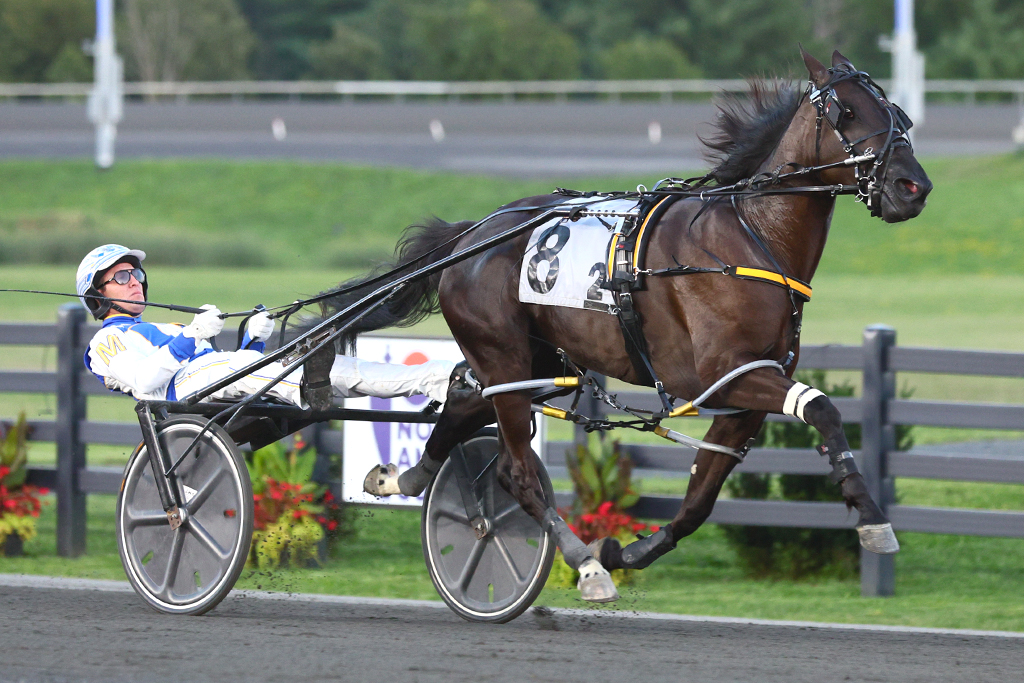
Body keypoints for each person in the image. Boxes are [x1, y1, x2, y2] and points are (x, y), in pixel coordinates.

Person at [76, 244, 457, 408]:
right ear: (98, 296)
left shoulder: (164, 325)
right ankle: (308, 388)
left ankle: (434, 379)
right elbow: (145, 382)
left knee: (334, 368)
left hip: (214, 382)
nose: (136, 281)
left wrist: (253, 340)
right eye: (122, 276)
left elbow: (239, 374)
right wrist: (192, 335)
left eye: (136, 273)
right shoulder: (107, 340)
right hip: (180, 394)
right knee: (231, 366)